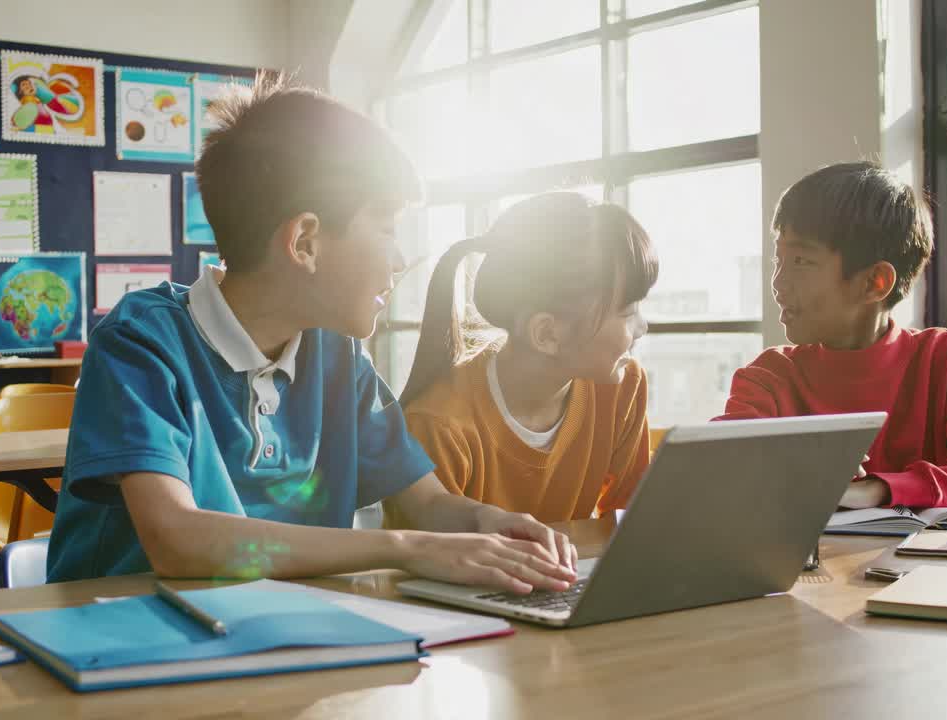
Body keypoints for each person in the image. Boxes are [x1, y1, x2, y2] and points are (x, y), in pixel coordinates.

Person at [46, 76, 576, 595]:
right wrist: (401, 547)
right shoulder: (140, 344)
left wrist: (490, 522)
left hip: (285, 639)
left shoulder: (338, 355)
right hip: (125, 647)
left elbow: (427, 504)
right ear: (304, 241)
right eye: (387, 229)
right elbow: (178, 540)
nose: (399, 260)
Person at [716, 162, 947, 509]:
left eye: (801, 261)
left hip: (921, 564)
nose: (778, 283)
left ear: (874, 283)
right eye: (779, 259)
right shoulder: (769, 376)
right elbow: (725, 467)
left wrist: (878, 489)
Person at [386, 192, 657, 526]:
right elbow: (420, 560)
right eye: (628, 312)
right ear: (547, 334)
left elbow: (631, 522)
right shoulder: (439, 425)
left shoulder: (624, 386)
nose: (642, 327)